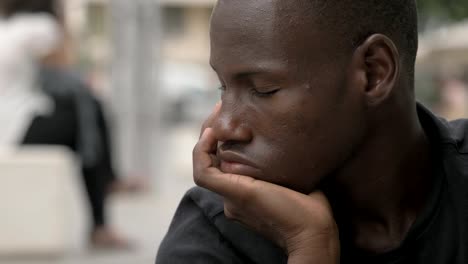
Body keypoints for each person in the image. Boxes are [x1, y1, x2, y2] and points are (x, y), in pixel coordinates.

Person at [157, 0, 468, 263]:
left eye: (264, 89)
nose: (223, 126)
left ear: (374, 72)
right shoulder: (212, 235)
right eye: (223, 87)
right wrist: (309, 246)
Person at [0, 0, 141, 249]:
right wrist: (62, 19)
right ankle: (102, 207)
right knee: (88, 108)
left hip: (11, 125)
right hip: (17, 127)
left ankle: (106, 183)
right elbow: (66, 65)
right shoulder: (40, 26)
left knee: (84, 111)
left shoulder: (8, 26)